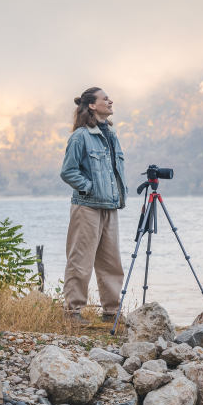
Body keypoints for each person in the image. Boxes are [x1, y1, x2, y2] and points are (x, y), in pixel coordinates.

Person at [60, 87, 129, 326]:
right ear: (92, 105)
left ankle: (112, 313)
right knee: (80, 260)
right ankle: (72, 314)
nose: (110, 101)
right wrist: (89, 187)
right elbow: (68, 172)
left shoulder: (110, 135)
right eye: (104, 98)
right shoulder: (80, 136)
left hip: (110, 206)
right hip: (87, 206)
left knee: (112, 263)